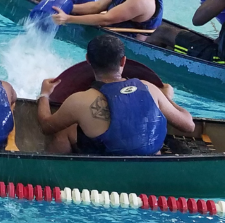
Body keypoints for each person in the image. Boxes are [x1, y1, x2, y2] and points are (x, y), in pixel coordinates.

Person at [38, 35, 194, 155]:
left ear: (87, 61)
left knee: (64, 129)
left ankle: (55, 178)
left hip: (107, 162)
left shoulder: (80, 101)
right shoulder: (149, 88)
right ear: (123, 61)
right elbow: (189, 125)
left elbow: (46, 126)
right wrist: (165, 98)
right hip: (150, 161)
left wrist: (44, 95)